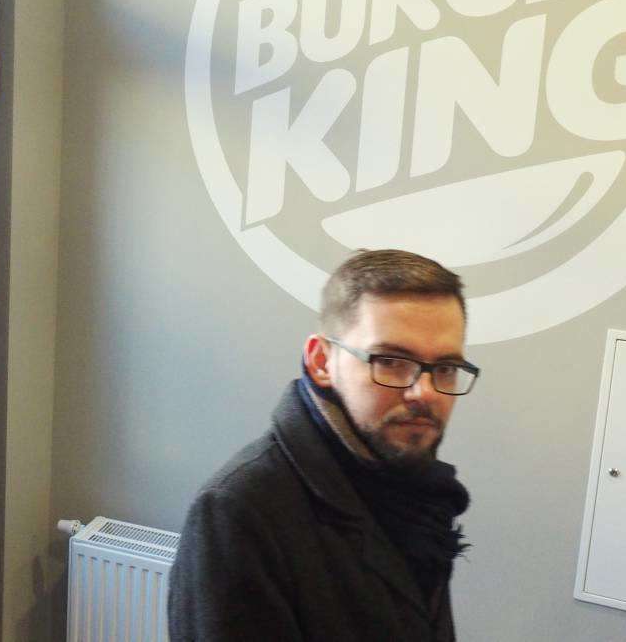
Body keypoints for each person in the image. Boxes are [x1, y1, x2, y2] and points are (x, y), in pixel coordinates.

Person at [169, 249, 478, 641]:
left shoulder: (419, 491)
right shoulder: (240, 510)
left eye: (446, 368)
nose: (425, 392)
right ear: (320, 361)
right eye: (390, 361)